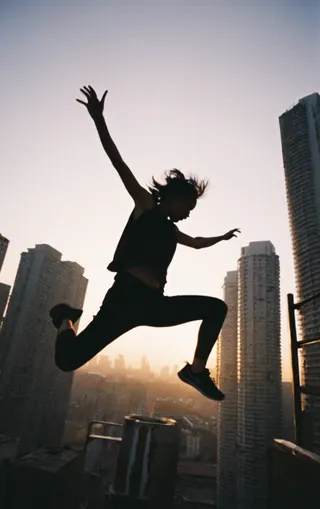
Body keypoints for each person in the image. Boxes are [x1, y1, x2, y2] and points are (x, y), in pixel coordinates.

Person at [50, 85, 240, 401]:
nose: (188, 214)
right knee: (66, 360)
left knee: (215, 308)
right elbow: (118, 162)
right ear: (175, 197)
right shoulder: (145, 205)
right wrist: (99, 120)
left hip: (154, 305)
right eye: (188, 207)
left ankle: (195, 372)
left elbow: (194, 242)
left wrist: (220, 238)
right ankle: (64, 316)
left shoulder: (171, 231)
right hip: (124, 301)